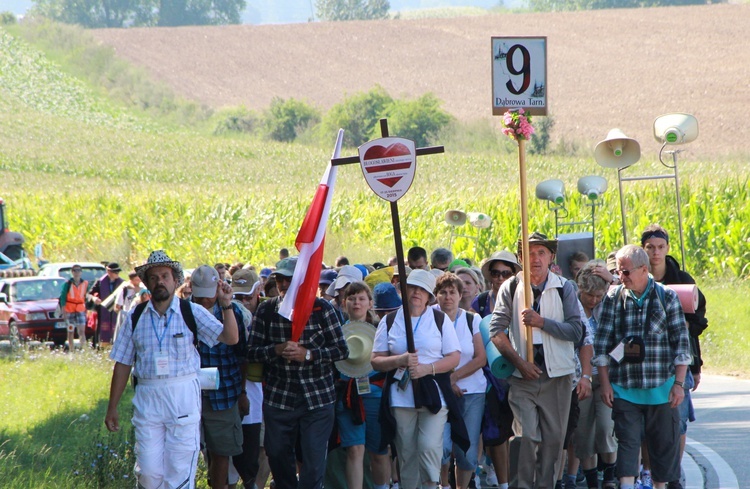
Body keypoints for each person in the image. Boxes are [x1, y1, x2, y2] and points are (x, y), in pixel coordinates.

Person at [105, 250, 239, 489]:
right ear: (146, 283)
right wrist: (112, 407)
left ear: (175, 280)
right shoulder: (135, 316)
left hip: (183, 398)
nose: (160, 282)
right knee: (148, 474)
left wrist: (226, 305)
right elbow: (123, 363)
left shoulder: (191, 312)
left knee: (179, 473)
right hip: (148, 399)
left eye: (165, 276)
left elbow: (230, 337)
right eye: (154, 277)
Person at [488, 232, 583, 489]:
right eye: (529, 253)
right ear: (521, 258)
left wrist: (542, 323)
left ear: (551, 256)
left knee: (553, 441)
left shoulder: (565, 287)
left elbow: (577, 331)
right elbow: (496, 331)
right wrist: (520, 363)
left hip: (557, 376)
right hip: (523, 377)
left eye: (541, 252)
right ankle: (521, 486)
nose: (535, 259)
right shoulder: (510, 287)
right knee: (525, 436)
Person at [593, 245, 691, 489]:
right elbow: (602, 345)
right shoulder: (613, 298)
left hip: (662, 389)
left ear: (644, 269)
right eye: (617, 272)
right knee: (627, 443)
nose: (620, 278)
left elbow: (681, 344)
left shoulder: (666, 296)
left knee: (662, 445)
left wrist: (679, 385)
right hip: (624, 388)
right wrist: (605, 384)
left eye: (625, 272)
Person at [247, 257, 349, 489]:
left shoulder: (322, 308)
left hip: (318, 397)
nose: (283, 284)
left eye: (289, 280)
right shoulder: (267, 310)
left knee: (313, 463)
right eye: (280, 279)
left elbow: (341, 350)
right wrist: (276, 350)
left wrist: (309, 354)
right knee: (277, 455)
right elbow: (251, 352)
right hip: (279, 397)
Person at [372, 269, 467, 489]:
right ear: (403, 291)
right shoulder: (389, 321)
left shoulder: (439, 319)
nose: (416, 292)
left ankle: (432, 485)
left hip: (433, 394)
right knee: (405, 450)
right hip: (400, 396)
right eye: (412, 287)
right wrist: (400, 360)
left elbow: (454, 357)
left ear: (428, 295)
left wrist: (427, 369)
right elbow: (376, 360)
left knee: (428, 446)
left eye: (422, 289)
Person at [640, 225, 708, 489]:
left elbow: (698, 323)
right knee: (649, 423)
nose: (655, 253)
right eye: (650, 247)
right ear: (643, 249)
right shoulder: (637, 277)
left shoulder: (682, 279)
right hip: (646, 364)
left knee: (677, 421)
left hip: (678, 362)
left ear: (667, 248)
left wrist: (696, 366)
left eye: (660, 247)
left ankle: (674, 474)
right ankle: (649, 471)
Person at [191, 265, 248, 489]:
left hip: (224, 393)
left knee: (222, 451)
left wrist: (242, 392)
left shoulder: (233, 312)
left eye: (209, 296)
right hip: (191, 393)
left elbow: (242, 354)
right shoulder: (186, 311)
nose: (205, 301)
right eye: (200, 297)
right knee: (192, 449)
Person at [333, 281, 391, 489]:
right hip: (348, 398)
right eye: (351, 298)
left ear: (369, 303)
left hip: (375, 396)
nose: (356, 302)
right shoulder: (336, 332)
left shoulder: (382, 329)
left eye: (361, 298)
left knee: (379, 451)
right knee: (354, 449)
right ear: (343, 303)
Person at [433, 273, 486, 489]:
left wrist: (454, 377)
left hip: (472, 392)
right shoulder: (429, 319)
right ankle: (443, 485)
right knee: (442, 448)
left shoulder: (473, 319)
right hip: (438, 392)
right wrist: (447, 383)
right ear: (435, 296)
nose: (447, 297)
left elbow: (481, 358)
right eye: (442, 292)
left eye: (452, 292)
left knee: (467, 451)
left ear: (460, 294)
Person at [573, 260, 618, 489]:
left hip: (606, 376)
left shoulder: (608, 304)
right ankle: (592, 482)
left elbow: (631, 290)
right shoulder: (572, 305)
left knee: (604, 427)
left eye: (598, 295)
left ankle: (610, 475)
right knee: (584, 434)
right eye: (589, 295)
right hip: (580, 378)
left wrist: (612, 279)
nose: (594, 300)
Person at [473, 251, 522, 318]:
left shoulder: (521, 299)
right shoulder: (480, 301)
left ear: (513, 275)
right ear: (490, 274)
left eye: (506, 274)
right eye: (495, 273)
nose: (500, 278)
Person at [88, 262, 124, 347]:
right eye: (115, 272)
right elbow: (89, 294)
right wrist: (94, 298)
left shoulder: (122, 283)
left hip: (117, 311)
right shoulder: (100, 282)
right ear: (109, 272)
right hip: (103, 311)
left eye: (118, 272)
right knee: (103, 329)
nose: (117, 274)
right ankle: (101, 347)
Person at [59, 264, 89, 351]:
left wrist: (87, 309)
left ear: (81, 272)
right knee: (70, 331)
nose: (77, 272)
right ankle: (71, 350)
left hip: (80, 309)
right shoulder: (67, 284)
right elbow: (63, 298)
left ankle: (83, 349)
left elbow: (86, 297)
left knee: (82, 331)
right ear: (72, 272)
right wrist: (63, 311)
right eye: (75, 270)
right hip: (70, 310)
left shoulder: (85, 283)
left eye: (79, 270)